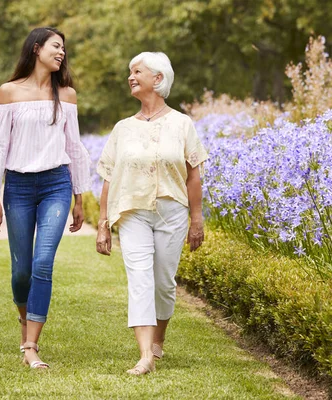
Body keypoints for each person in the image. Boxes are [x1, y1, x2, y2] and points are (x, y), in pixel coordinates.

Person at [0, 27, 91, 369]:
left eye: (64, 49)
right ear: (37, 48)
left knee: (43, 263)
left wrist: (79, 197)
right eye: (56, 46)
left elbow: (74, 147)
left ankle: (30, 345)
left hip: (56, 184)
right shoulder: (9, 92)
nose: (62, 53)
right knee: (21, 272)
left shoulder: (67, 95)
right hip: (19, 188)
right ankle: (25, 323)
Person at [96, 52, 208, 375]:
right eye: (129, 72)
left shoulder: (182, 124)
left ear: (158, 79)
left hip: (172, 212)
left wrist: (196, 219)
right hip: (132, 213)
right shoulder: (122, 129)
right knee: (140, 279)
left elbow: (193, 175)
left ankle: (158, 341)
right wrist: (103, 224)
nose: (130, 77)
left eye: (137, 71)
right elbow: (108, 176)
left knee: (162, 282)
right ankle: (145, 355)